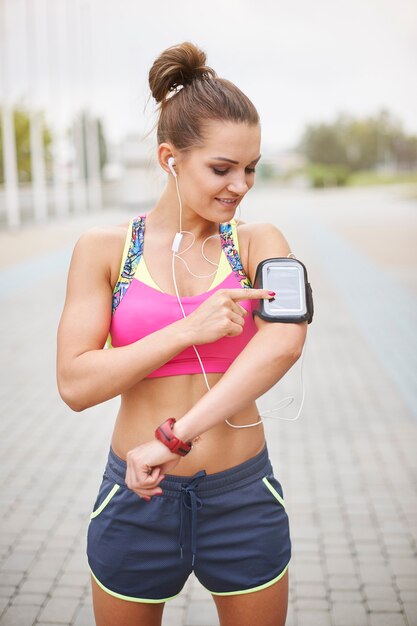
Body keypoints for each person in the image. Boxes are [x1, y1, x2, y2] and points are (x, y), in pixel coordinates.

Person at [56, 41, 307, 626]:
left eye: (251, 168)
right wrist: (184, 330)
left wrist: (174, 438)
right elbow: (74, 383)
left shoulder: (256, 243)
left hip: (241, 497)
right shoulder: (105, 250)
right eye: (222, 168)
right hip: (136, 499)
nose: (240, 185)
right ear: (170, 158)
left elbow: (283, 343)